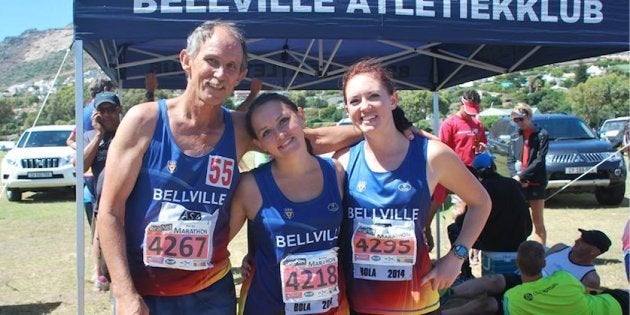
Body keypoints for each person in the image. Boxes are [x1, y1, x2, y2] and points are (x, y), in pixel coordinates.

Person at [97, 20, 364, 314]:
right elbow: (110, 210)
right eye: (212, 61)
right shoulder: (144, 121)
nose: (220, 74)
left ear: (241, 76)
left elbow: (309, 137)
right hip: (148, 293)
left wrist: (381, 128)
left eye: (231, 66)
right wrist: (123, 293)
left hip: (212, 293)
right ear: (186, 60)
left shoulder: (238, 128)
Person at [336, 58, 491, 314]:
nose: (364, 106)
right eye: (355, 101)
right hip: (359, 304)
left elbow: (481, 202)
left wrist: (456, 257)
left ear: (393, 100)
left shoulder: (432, 155)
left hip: (417, 303)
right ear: (346, 108)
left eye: (373, 96)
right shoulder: (343, 162)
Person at [229, 93, 349, 314]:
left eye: (283, 120)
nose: (280, 134)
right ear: (259, 143)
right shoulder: (250, 186)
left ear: (301, 116)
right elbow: (216, 243)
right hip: (268, 307)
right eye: (266, 132)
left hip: (331, 308)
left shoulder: (337, 172)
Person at [441, 228, 611, 315]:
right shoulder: (561, 248)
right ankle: (449, 293)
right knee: (492, 280)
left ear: (594, 251)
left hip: (540, 296)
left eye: (583, 241)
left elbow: (575, 302)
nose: (577, 241)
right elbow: (538, 260)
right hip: (525, 278)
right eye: (580, 238)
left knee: (485, 305)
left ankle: (443, 313)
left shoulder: (590, 278)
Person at [447, 152, 532, 281]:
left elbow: (465, 222)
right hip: (520, 238)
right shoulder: (513, 183)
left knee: (454, 229)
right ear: (493, 166)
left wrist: (459, 216)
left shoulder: (481, 189)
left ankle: (465, 272)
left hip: (494, 242)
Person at [427, 90, 488, 258]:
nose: (471, 114)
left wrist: (482, 146)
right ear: (462, 104)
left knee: (467, 210)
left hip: (470, 172)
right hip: (448, 171)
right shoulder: (450, 123)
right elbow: (442, 149)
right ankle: (427, 235)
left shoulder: (477, 124)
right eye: (468, 109)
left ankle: (466, 249)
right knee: (432, 207)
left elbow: (482, 142)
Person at [503, 241, 628, 315]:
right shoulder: (564, 277)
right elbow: (588, 292)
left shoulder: (512, 297)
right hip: (614, 306)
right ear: (544, 263)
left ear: (517, 263)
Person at [82, 91, 123, 292]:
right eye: (102, 110)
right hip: (102, 203)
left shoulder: (128, 132)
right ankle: (100, 274)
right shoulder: (91, 137)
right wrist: (98, 134)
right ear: (95, 113)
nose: (107, 115)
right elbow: (80, 165)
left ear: (119, 110)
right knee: (99, 238)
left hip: (128, 204)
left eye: (111, 110)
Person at [507, 103, 549, 245]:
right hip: (518, 182)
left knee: (538, 221)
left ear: (529, 117)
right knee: (518, 219)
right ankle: (518, 251)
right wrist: (516, 177)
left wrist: (522, 176)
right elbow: (510, 159)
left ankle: (539, 252)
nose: (519, 123)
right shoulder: (514, 136)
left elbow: (539, 160)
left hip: (536, 183)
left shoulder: (541, 134)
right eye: (515, 120)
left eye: (521, 119)